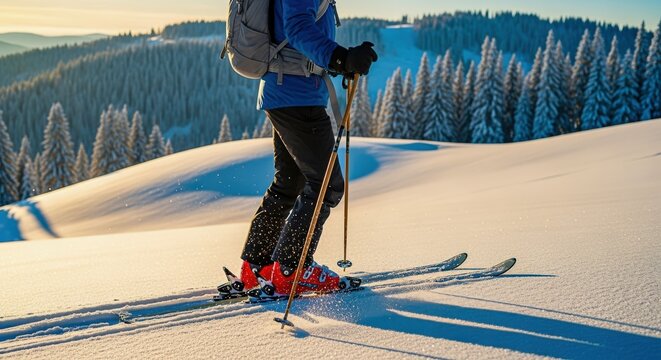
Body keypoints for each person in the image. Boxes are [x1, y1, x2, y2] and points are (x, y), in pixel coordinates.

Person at [237, 0, 378, 296]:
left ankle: (258, 267)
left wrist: (342, 60)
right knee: (327, 185)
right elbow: (298, 29)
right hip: (296, 95)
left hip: (286, 91)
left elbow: (297, 34)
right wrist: (340, 59)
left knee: (290, 181)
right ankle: (292, 269)